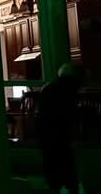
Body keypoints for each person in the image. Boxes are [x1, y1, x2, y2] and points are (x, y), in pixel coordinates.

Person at [36, 63, 84, 193]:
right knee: (68, 168)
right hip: (62, 135)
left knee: (52, 169)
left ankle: (55, 186)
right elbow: (72, 115)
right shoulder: (69, 90)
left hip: (47, 135)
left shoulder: (48, 88)